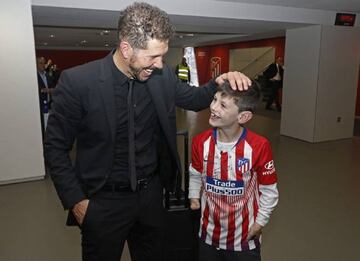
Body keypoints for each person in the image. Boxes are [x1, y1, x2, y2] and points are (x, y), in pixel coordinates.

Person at [44, 2, 251, 261]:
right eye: (153, 56)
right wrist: (76, 201)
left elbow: (195, 99)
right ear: (126, 47)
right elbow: (55, 147)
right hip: (103, 202)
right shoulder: (78, 82)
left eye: (162, 56)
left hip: (151, 197)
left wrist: (218, 83)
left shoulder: (161, 77)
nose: (161, 64)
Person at [189, 80, 279, 261]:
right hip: (208, 236)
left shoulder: (259, 146)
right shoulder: (200, 142)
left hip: (244, 240)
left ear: (243, 117)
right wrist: (194, 196)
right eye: (214, 99)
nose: (213, 107)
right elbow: (195, 172)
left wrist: (260, 222)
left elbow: (269, 191)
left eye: (222, 105)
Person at [36, 56, 53, 138]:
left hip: (49, 104)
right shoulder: (34, 76)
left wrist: (48, 90)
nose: (43, 65)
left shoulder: (47, 75)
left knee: (49, 124)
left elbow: (52, 87)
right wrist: (48, 90)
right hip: (40, 105)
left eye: (44, 63)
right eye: (40, 63)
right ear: (36, 64)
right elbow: (39, 90)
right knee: (41, 125)